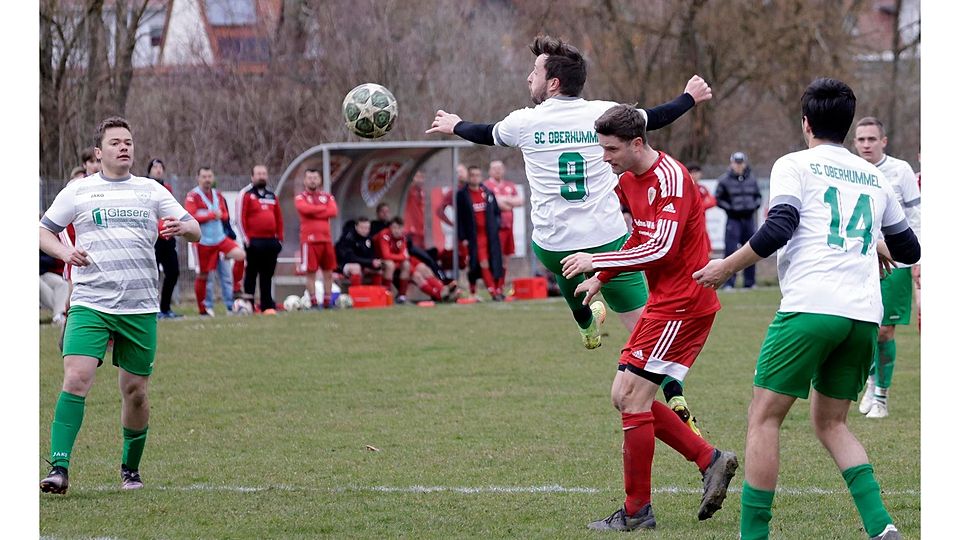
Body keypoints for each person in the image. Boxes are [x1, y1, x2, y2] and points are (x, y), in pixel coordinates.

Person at [693, 78, 919, 540]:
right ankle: (882, 527)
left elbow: (780, 227)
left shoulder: (795, 164)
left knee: (764, 417)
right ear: (849, 126)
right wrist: (871, 240)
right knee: (831, 423)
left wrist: (725, 268)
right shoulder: (874, 176)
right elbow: (909, 247)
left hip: (811, 307)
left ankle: (753, 535)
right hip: (862, 316)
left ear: (806, 123)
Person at [426, 34, 712, 351]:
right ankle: (671, 388)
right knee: (647, 332)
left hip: (553, 243)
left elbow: (484, 133)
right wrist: (688, 97)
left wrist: (456, 124)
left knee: (565, 264)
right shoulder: (604, 114)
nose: (528, 77)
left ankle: (586, 323)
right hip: (607, 239)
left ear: (553, 83)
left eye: (535, 72)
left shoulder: (524, 122)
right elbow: (656, 116)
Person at [560, 105, 737, 531]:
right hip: (666, 301)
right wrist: (602, 276)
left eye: (612, 149)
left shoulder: (671, 179)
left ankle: (638, 511)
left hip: (684, 302)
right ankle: (708, 459)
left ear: (638, 143)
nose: (605, 157)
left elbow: (663, 249)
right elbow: (640, 235)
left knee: (633, 399)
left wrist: (593, 259)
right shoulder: (629, 180)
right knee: (624, 396)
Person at [39, 116, 201, 494]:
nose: (124, 147)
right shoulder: (79, 191)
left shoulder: (150, 190)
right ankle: (58, 469)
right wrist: (65, 251)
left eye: (128, 141)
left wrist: (182, 229)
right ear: (99, 152)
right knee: (76, 378)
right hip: (91, 302)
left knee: (136, 391)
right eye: (115, 142)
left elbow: (194, 227)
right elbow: (43, 230)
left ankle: (130, 469)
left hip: (139, 305)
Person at [852, 116, 921, 419]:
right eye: (861, 139)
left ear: (884, 141)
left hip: (896, 261)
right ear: (854, 142)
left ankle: (881, 397)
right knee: (863, 328)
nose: (866, 144)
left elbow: (916, 216)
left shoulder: (901, 171)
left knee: (885, 331)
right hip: (858, 261)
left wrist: (918, 258)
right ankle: (870, 382)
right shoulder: (849, 170)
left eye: (871, 139)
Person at [184, 167, 245, 317]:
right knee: (204, 276)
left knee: (240, 255)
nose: (207, 180)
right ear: (198, 178)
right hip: (203, 242)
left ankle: (236, 289)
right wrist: (211, 215)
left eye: (210, 176)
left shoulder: (218, 194)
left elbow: (224, 214)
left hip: (220, 239)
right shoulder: (193, 196)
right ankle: (203, 309)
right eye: (204, 176)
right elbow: (191, 215)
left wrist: (218, 215)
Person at [236, 164, 284, 314]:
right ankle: (248, 304)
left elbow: (279, 219)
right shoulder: (246, 194)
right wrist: (246, 239)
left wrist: (279, 239)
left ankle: (266, 305)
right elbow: (240, 218)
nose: (261, 176)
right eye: (258, 174)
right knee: (251, 273)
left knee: (267, 274)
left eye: (264, 173)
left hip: (270, 241)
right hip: (254, 241)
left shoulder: (272, 196)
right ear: (252, 176)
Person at [375, 217, 455, 303]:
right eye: (394, 228)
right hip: (386, 262)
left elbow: (405, 254)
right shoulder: (384, 235)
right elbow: (386, 255)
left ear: (402, 228)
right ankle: (439, 295)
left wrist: (403, 257)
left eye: (399, 228)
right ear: (390, 227)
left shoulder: (403, 237)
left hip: (399, 261)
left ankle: (444, 289)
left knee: (424, 268)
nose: (396, 231)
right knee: (415, 274)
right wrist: (403, 257)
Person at [714, 151, 762, 290]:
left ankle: (750, 282)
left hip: (748, 220)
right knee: (730, 251)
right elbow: (719, 199)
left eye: (741, 163)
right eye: (736, 163)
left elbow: (758, 197)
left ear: (745, 163)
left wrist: (753, 206)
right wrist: (731, 208)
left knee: (752, 250)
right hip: (733, 220)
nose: (739, 166)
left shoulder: (752, 179)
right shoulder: (724, 180)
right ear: (731, 163)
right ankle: (729, 283)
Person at [457, 165, 504, 300]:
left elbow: (496, 212)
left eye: (477, 175)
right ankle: (492, 292)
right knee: (480, 263)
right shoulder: (462, 195)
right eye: (472, 175)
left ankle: (496, 289)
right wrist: (463, 237)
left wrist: (496, 226)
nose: (475, 178)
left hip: (489, 235)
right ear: (468, 177)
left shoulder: (487, 193)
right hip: (474, 236)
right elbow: (460, 218)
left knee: (494, 262)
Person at [295, 168, 339, 309]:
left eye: (315, 177)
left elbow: (333, 211)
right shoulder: (300, 197)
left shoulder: (327, 197)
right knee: (311, 272)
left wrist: (315, 210)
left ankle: (327, 302)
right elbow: (304, 209)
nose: (312, 180)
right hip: (309, 240)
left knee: (328, 272)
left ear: (320, 180)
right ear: (305, 180)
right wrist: (322, 210)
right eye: (309, 178)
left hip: (326, 239)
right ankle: (314, 303)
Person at [146, 159, 182, 319]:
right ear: (149, 171)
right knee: (152, 275)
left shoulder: (167, 188)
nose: (158, 170)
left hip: (168, 237)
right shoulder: (145, 188)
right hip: (153, 239)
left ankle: (165, 308)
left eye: (161, 167)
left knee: (173, 272)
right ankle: (151, 309)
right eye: (155, 167)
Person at [484, 160, 523, 295]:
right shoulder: (486, 185)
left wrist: (503, 200)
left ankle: (500, 287)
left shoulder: (509, 185)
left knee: (506, 258)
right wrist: (506, 201)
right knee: (495, 257)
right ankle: (494, 286)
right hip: (495, 229)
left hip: (508, 228)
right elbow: (495, 203)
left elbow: (520, 201)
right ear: (490, 171)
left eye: (500, 168)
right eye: (495, 169)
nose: (498, 171)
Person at [336, 217, 383, 287]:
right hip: (343, 265)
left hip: (362, 263)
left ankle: (377, 295)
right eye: (362, 228)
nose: (365, 230)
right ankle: (356, 294)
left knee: (378, 270)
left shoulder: (369, 239)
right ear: (356, 227)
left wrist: (374, 263)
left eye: (367, 228)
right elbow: (350, 258)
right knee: (356, 267)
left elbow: (371, 255)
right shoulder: (349, 237)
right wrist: (369, 262)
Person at [40, 249, 69, 325]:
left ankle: (58, 315)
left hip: (43, 273)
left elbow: (50, 260)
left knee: (63, 283)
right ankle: (61, 312)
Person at [404, 170, 428, 250]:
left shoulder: (422, 191)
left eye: (422, 177)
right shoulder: (410, 190)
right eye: (417, 177)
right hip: (411, 228)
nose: (420, 179)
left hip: (421, 227)